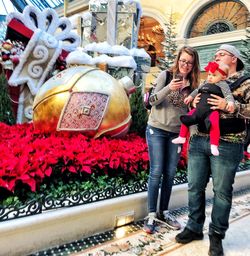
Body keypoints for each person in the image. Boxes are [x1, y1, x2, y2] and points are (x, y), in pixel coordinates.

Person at [175, 44, 250, 256]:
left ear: (233, 58)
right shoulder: (210, 79)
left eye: (221, 54)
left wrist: (232, 107)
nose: (216, 57)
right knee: (194, 186)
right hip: (199, 139)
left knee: (222, 192)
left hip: (228, 142)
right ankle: (194, 227)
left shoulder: (244, 82)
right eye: (215, 54)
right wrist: (194, 104)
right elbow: (197, 105)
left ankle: (216, 235)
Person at [143, 46, 200, 234]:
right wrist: (169, 88)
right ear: (178, 60)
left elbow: (190, 114)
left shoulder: (193, 86)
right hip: (157, 129)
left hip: (176, 135)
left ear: (193, 66)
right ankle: (151, 215)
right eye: (183, 61)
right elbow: (151, 101)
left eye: (189, 63)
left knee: (170, 173)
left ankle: (163, 212)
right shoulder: (166, 76)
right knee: (157, 171)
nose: (185, 65)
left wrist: (191, 136)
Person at [172, 61, 235, 156]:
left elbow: (228, 95)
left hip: (211, 110)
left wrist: (230, 102)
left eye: (214, 75)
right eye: (209, 74)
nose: (210, 77)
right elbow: (197, 90)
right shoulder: (205, 82)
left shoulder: (222, 84)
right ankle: (182, 136)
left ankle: (214, 145)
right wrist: (190, 97)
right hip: (199, 109)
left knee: (214, 123)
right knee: (187, 118)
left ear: (223, 77)